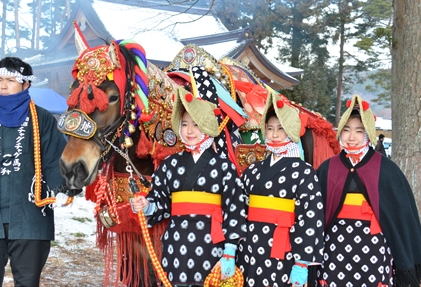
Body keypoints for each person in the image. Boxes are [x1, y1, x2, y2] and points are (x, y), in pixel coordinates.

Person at [0, 57, 76, 287]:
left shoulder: (43, 119)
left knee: (28, 283)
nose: (3, 85)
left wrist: (61, 188)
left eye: (10, 80)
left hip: (30, 217)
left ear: (26, 84)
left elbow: (54, 159)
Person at [131, 86, 247, 286]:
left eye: (196, 124)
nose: (190, 130)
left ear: (207, 126)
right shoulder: (170, 164)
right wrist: (147, 205)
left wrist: (229, 251)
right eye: (185, 124)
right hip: (177, 243)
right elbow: (159, 200)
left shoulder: (224, 166)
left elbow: (235, 209)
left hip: (213, 244)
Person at [316, 94, 421, 287]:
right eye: (347, 130)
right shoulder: (327, 168)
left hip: (373, 245)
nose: (351, 137)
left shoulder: (386, 168)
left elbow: (401, 215)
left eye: (359, 131)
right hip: (335, 247)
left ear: (367, 133)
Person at [237, 91, 325, 287]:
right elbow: (238, 210)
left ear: (291, 130)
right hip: (251, 246)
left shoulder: (304, 172)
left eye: (281, 128)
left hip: (286, 248)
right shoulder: (252, 171)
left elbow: (311, 219)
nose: (274, 134)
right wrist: (232, 246)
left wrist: (302, 262)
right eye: (269, 128)